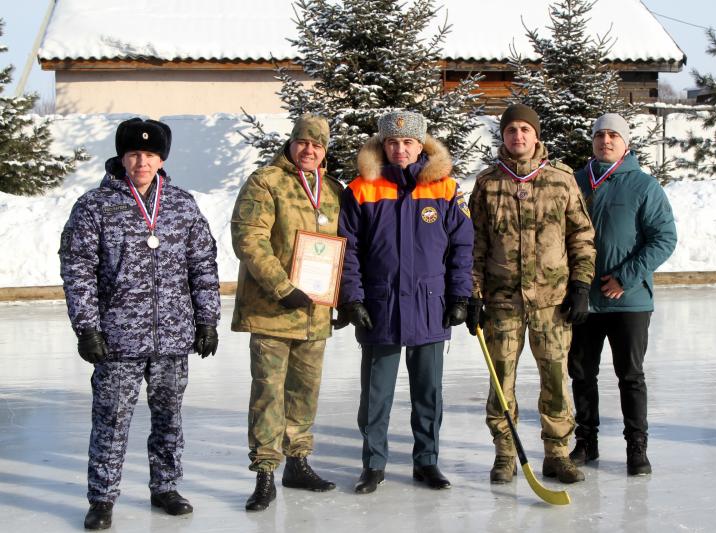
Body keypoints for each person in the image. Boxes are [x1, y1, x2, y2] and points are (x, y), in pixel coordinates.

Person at [59, 118, 221, 530]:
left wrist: (207, 320)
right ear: (121, 158)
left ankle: (165, 486)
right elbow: (77, 270)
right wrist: (88, 328)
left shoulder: (182, 204)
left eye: (149, 154)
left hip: (172, 336)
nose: (141, 161)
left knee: (169, 416)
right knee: (111, 419)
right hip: (117, 339)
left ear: (161, 158)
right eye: (134, 154)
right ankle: (102, 497)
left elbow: (202, 265)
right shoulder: (95, 206)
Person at [336, 111, 473, 494]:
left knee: (428, 392)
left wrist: (461, 293)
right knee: (375, 395)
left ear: (421, 145)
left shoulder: (445, 189)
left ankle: (426, 460)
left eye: (408, 142)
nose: (400, 149)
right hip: (380, 306)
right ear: (383, 145)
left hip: (431, 305)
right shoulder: (362, 188)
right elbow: (349, 251)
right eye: (393, 143)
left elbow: (462, 246)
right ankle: (374, 464)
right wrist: (353, 298)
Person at [466, 103, 595, 485]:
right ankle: (505, 454)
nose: (518, 136)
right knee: (500, 380)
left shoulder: (560, 179)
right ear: (503, 136)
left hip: (552, 304)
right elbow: (473, 245)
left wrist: (582, 285)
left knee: (555, 378)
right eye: (511, 130)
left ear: (536, 135)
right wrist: (473, 295)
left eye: (525, 129)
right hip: (502, 303)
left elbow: (581, 236)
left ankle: (557, 454)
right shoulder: (488, 183)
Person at [230, 114, 341, 511]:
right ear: (291, 144)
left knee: (304, 392)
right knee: (268, 393)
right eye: (302, 142)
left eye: (317, 144)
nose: (309, 150)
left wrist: (339, 296)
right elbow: (249, 239)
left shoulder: (331, 190)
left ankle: (298, 462)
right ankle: (264, 472)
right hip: (273, 310)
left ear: (325, 150)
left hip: (315, 314)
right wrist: (283, 286)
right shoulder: (266, 182)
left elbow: (344, 250)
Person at [568, 113, 677, 476]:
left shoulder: (644, 186)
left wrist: (625, 277)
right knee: (582, 374)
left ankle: (636, 447)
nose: (606, 141)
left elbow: (663, 239)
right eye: (600, 135)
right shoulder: (576, 182)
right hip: (584, 299)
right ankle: (586, 442)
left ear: (625, 144)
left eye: (613, 135)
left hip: (628, 300)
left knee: (630, 375)